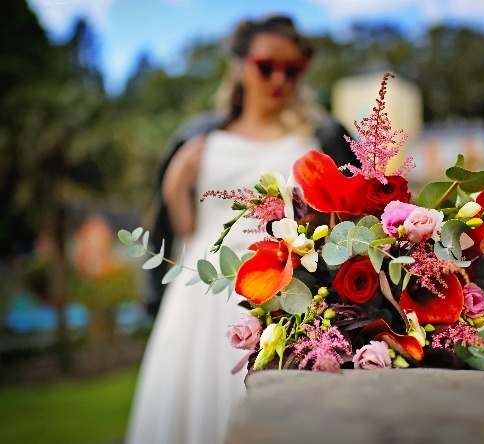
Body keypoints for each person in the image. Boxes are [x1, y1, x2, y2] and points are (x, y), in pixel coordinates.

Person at [126, 15, 357, 444]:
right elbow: (183, 228)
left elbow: (344, 216)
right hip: (200, 290)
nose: (279, 79)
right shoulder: (199, 138)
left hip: (284, 291)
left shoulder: (320, 134)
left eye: (293, 69)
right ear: (240, 64)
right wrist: (175, 186)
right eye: (266, 66)